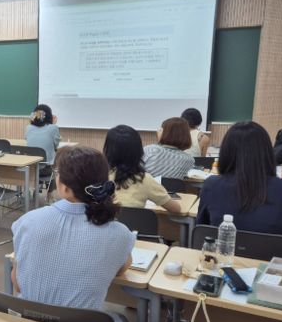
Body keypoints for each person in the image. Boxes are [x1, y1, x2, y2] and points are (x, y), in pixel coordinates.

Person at [11, 145, 134, 311]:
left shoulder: (28, 221)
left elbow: (18, 284)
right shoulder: (120, 234)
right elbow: (122, 269)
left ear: (64, 187)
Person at [197, 121, 282, 245]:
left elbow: (202, 228)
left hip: (222, 256)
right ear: (267, 153)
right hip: (272, 258)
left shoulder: (211, 185)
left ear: (226, 152)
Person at [104, 125, 181, 213]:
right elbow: (176, 209)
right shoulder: (144, 179)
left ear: (108, 150)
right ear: (138, 150)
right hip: (133, 222)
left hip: (106, 221)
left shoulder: (100, 176)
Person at [25, 104, 60, 176]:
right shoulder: (53, 128)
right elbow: (56, 145)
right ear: (49, 116)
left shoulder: (28, 128)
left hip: (30, 168)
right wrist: (53, 124)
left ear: (34, 115)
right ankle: (51, 183)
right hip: (46, 169)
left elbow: (27, 139)